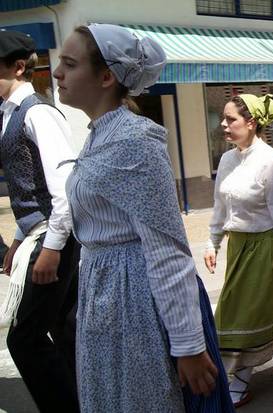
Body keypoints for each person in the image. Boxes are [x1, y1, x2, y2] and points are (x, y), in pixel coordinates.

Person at [53, 24, 232, 411]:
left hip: (134, 300)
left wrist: (187, 345)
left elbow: (167, 249)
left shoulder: (135, 143)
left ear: (106, 77)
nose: (56, 72)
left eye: (69, 63)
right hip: (106, 293)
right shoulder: (100, 135)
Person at [204, 93, 273, 407]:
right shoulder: (227, 159)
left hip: (266, 249)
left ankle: (240, 379)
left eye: (231, 119)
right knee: (270, 312)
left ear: (251, 123)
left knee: (244, 316)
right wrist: (212, 242)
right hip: (239, 247)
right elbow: (220, 206)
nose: (223, 125)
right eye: (223, 119)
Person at [0, 30, 80, 413]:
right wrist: (18, 238)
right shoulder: (10, 114)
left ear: (18, 68)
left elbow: (64, 190)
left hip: (55, 237)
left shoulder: (38, 113)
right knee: (64, 331)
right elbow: (29, 188)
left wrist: (50, 249)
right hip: (40, 234)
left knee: (24, 339)